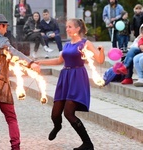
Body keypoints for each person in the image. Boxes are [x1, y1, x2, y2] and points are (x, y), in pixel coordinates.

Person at [35, 18, 105, 150]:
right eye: (66, 27)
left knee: (68, 112)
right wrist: (41, 62)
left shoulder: (85, 43)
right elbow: (58, 60)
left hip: (77, 78)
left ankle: (87, 144)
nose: (67, 29)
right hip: (65, 77)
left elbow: (100, 60)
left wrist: (101, 50)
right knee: (55, 114)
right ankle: (57, 126)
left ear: (78, 28)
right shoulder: (66, 45)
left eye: (70, 27)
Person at [0, 14, 40, 150]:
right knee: (11, 117)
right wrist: (30, 63)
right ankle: (15, 146)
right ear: (0, 26)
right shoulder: (2, 41)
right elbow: (14, 53)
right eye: (5, 26)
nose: (6, 29)